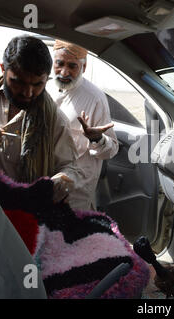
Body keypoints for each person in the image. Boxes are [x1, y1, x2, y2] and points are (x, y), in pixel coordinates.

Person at [0, 36, 81, 203]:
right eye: (19, 82)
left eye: (38, 84)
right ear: (3, 69)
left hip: (22, 213)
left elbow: (70, 169)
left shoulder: (56, 121)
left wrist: (57, 183)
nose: (28, 93)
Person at [47, 40, 119, 211]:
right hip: (44, 180)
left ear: (84, 68)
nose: (64, 72)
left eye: (72, 66)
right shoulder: (45, 88)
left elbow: (112, 148)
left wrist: (98, 139)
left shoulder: (95, 98)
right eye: (60, 64)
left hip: (75, 190)